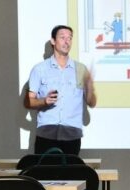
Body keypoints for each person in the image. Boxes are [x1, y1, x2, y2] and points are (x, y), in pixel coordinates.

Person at [25, 25, 97, 155]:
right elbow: (28, 102)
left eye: (69, 38)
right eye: (62, 37)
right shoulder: (39, 69)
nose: (67, 41)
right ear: (53, 41)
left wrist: (90, 87)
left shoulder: (80, 69)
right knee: (44, 174)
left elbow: (92, 103)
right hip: (46, 133)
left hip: (72, 135)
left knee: (69, 174)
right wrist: (44, 101)